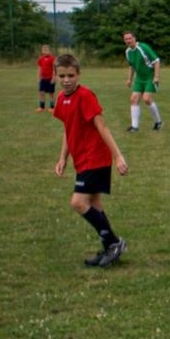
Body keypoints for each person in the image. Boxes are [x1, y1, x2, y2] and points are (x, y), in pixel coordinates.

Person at [52, 54, 130, 267]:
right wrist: (62, 158)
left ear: (78, 74)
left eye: (70, 75)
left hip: (95, 157)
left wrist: (118, 156)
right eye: (62, 76)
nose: (66, 79)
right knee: (94, 203)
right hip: (82, 159)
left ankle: (114, 242)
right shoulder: (60, 98)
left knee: (78, 202)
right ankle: (109, 247)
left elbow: (102, 126)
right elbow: (68, 129)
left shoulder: (85, 96)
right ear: (56, 76)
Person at [122, 31, 162, 132]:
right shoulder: (128, 52)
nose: (128, 41)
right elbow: (131, 66)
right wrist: (130, 79)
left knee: (147, 99)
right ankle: (134, 127)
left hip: (149, 77)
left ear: (134, 38)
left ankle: (158, 121)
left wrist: (156, 77)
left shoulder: (143, 48)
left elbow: (156, 61)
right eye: (126, 39)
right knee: (133, 99)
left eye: (130, 38)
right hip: (139, 78)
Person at [37, 44, 57, 111]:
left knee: (51, 93)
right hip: (43, 79)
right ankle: (41, 107)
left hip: (50, 79)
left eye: (46, 50)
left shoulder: (53, 58)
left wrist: (53, 78)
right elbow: (39, 68)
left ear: (49, 51)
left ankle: (52, 107)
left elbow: (54, 69)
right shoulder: (40, 59)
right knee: (41, 92)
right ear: (42, 51)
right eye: (44, 50)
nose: (45, 51)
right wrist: (39, 77)